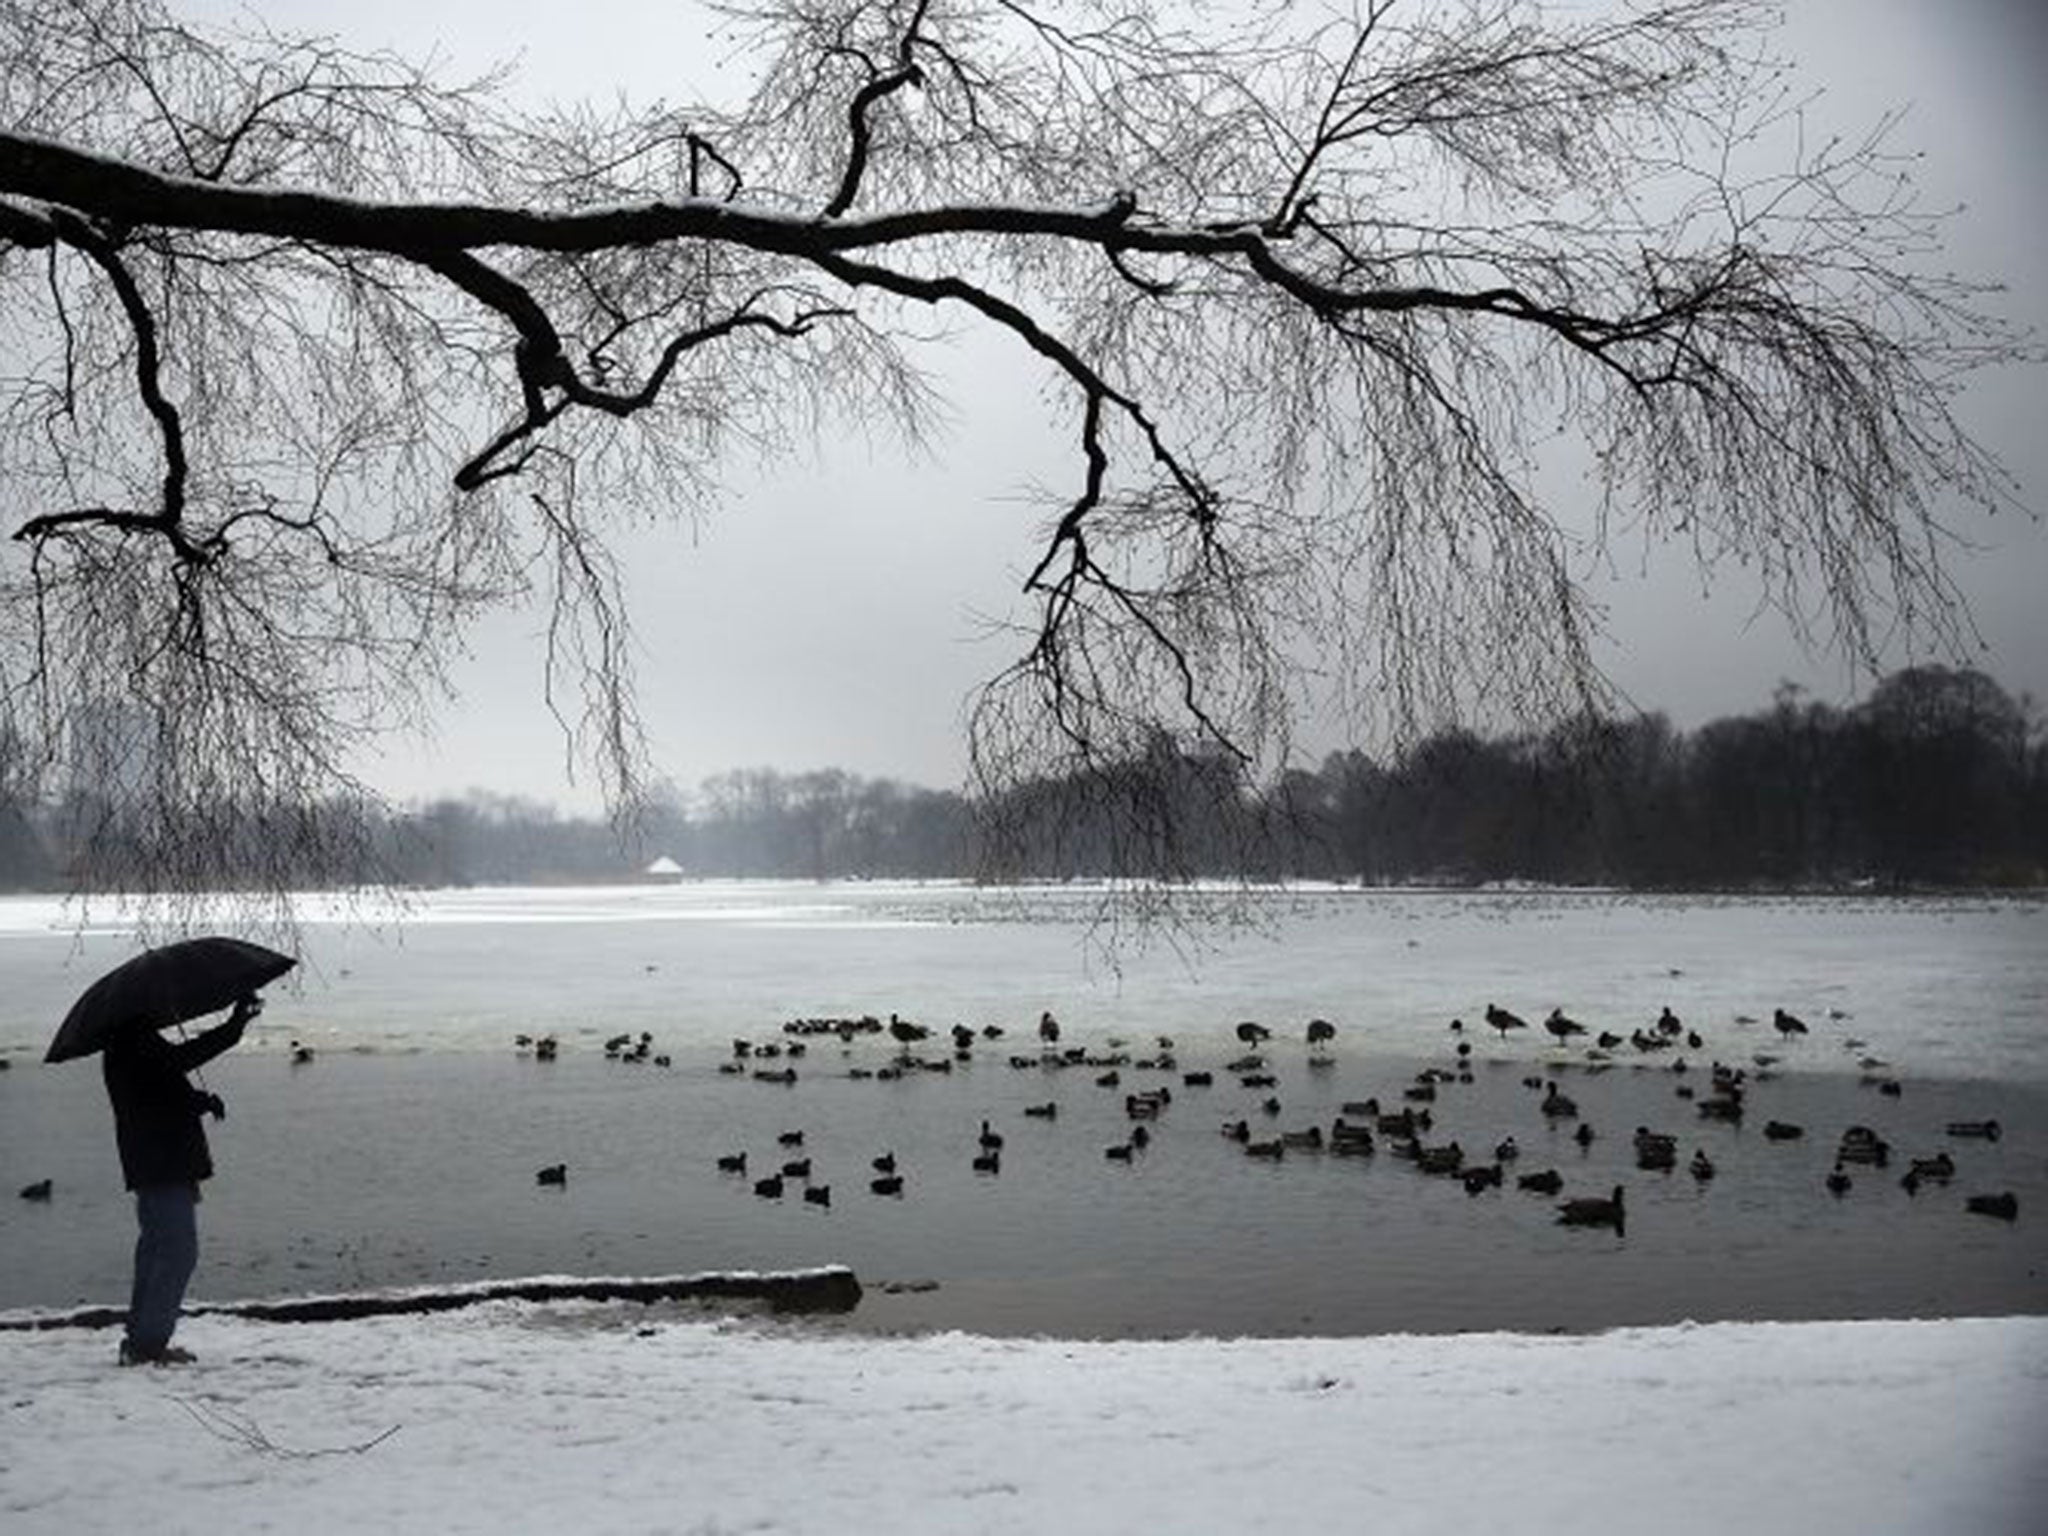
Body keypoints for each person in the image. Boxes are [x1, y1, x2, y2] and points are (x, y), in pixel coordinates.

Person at [102, 994, 261, 1365]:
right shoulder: (133, 1042)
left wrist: (200, 1101)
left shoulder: (129, 1044)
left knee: (157, 1251)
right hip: (162, 1165)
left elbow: (163, 1089)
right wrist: (234, 1026)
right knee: (175, 1253)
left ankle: (141, 1339)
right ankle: (148, 1344)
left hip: (156, 1163)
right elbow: (174, 1067)